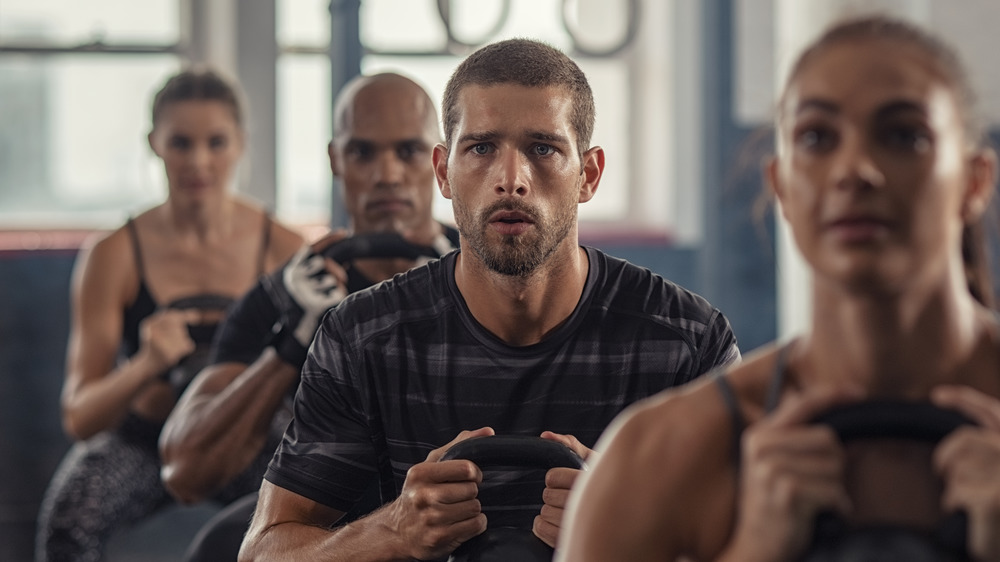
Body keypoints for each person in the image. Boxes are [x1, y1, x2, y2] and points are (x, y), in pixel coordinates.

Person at [238, 38, 741, 562]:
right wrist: (392, 530)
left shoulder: (687, 341)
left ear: (588, 174)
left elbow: (759, 541)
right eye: (481, 148)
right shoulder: (363, 337)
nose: (510, 181)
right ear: (443, 173)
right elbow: (263, 552)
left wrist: (634, 525)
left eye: (542, 148)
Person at [558, 15, 1000, 562]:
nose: (855, 169)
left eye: (903, 135)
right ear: (781, 186)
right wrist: (750, 551)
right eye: (816, 137)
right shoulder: (657, 454)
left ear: (974, 180)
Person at [157, 72, 460, 561]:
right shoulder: (285, 297)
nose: (386, 175)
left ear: (439, 160)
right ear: (336, 159)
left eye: (406, 151)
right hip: (330, 526)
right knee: (218, 547)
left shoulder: (485, 268)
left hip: (463, 510)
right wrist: (294, 341)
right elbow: (185, 471)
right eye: (363, 153)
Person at [35, 68, 304, 562]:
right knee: (69, 524)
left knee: (320, 508)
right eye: (181, 143)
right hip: (145, 439)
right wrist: (145, 364)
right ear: (154, 143)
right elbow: (79, 416)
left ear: (240, 143)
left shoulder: (282, 248)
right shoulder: (114, 253)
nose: (198, 161)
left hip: (241, 436)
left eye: (216, 142)